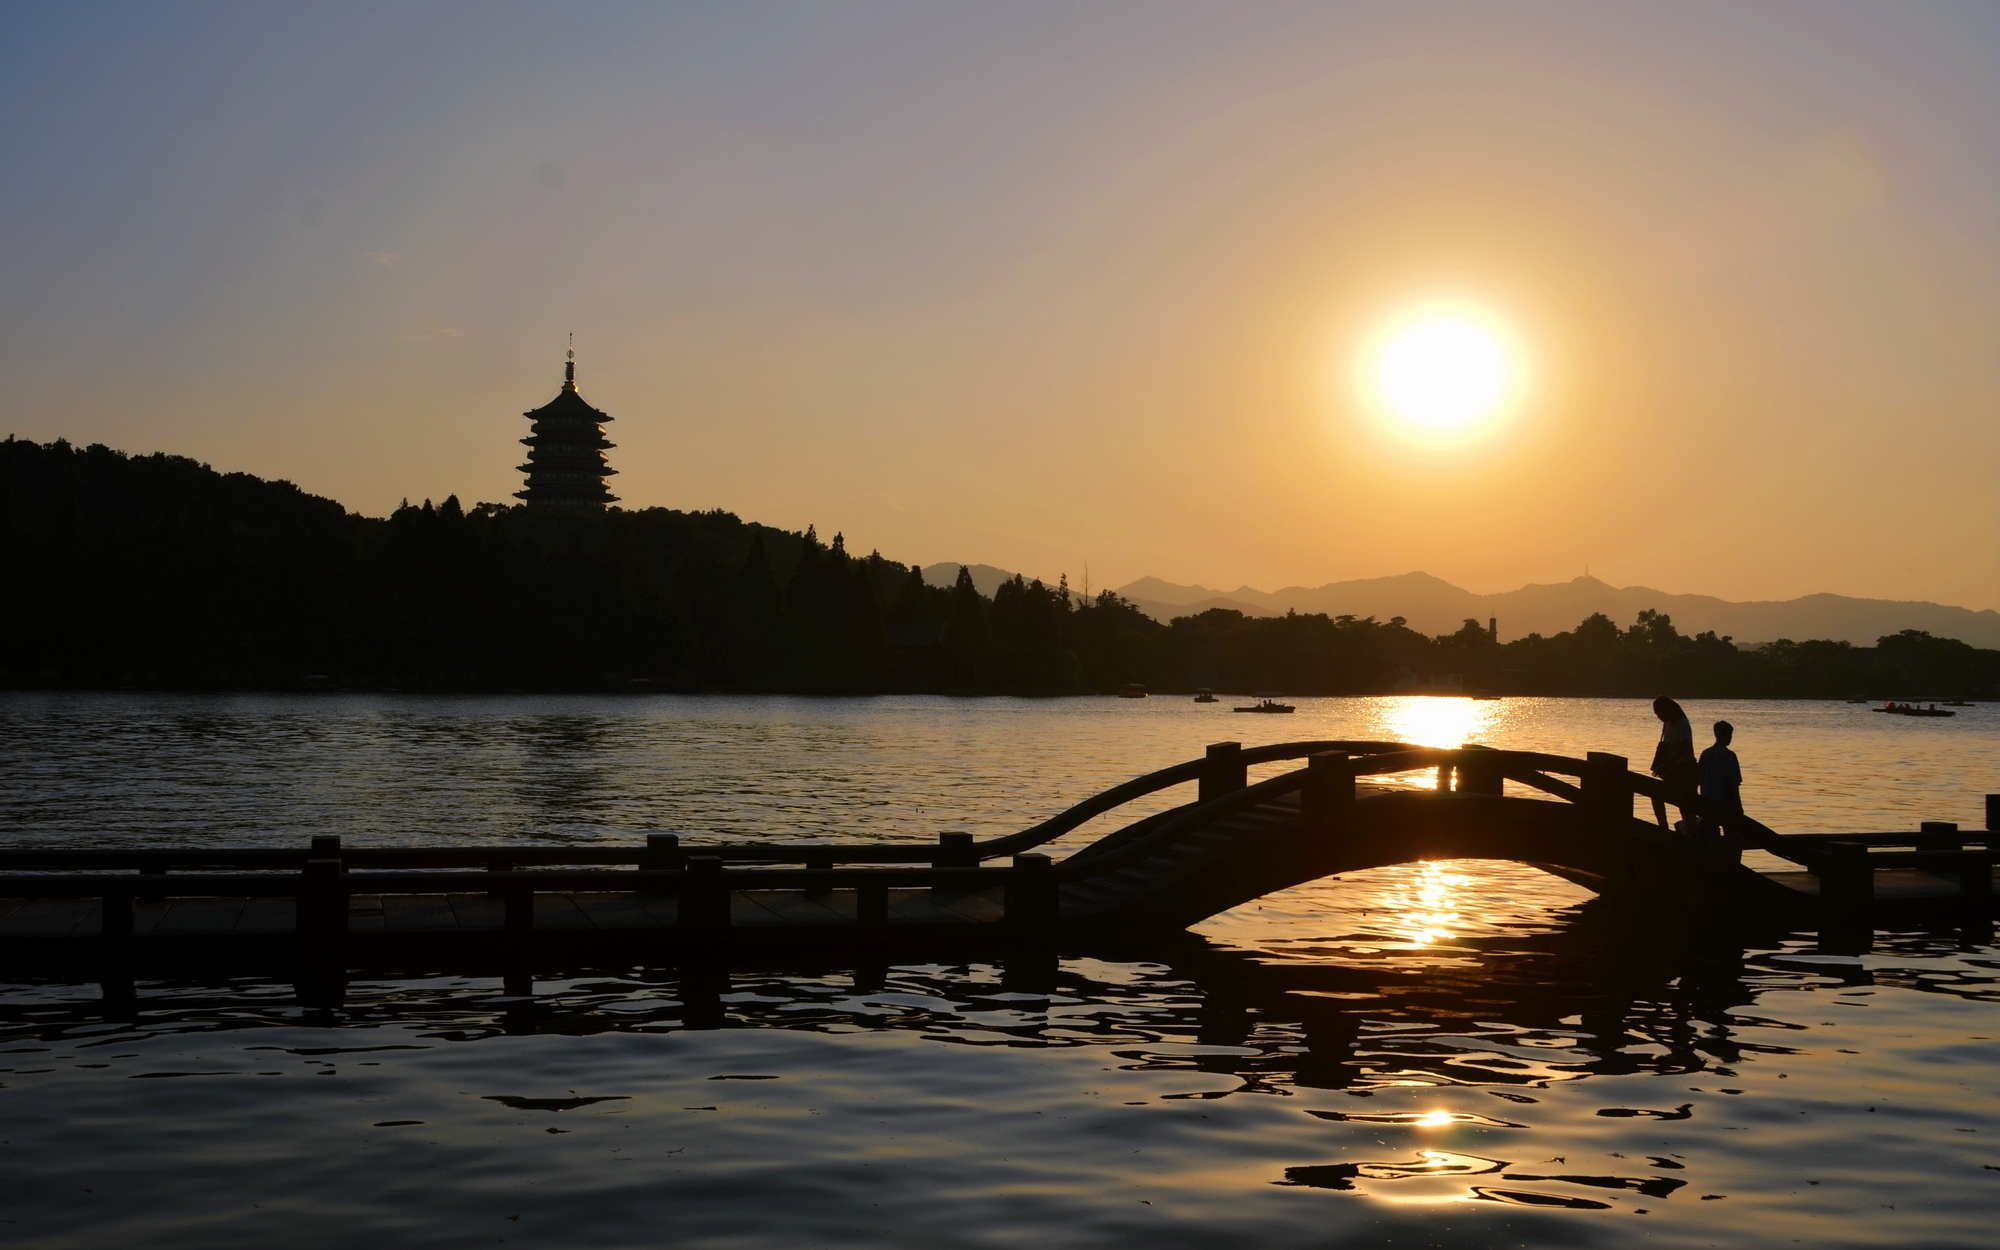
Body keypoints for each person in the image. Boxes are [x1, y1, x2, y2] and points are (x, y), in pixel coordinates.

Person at [1648, 696, 1698, 830]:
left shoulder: (1683, 724)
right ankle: (1663, 827)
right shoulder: (1667, 725)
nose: (1659, 717)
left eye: (1660, 714)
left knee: (1686, 808)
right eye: (1657, 715)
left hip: (1686, 770)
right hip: (1673, 770)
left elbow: (1682, 750)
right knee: (1656, 795)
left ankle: (1692, 835)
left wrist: (1664, 766)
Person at [1698, 720, 1744, 864]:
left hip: (1708, 801)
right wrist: (1739, 806)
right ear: (1724, 735)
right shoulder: (1729, 755)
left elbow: (1699, 778)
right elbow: (1734, 784)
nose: (1730, 738)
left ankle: (1714, 864)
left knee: (1711, 836)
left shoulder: (1705, 754)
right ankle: (1732, 865)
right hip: (1726, 803)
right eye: (1729, 735)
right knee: (1733, 837)